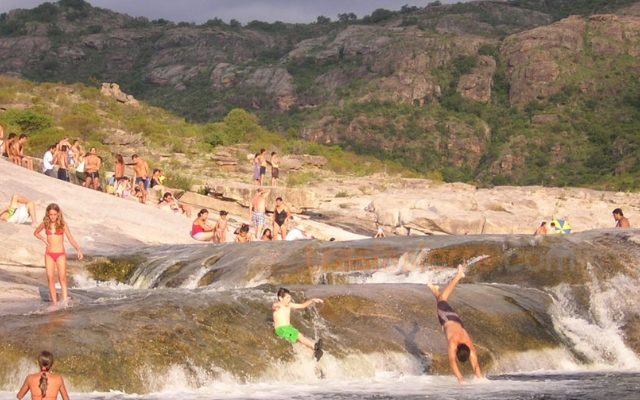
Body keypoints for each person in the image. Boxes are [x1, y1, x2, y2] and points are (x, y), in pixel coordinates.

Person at [427, 263, 483, 384]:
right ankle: (458, 276)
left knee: (441, 299)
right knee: (442, 299)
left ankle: (433, 289)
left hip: (457, 319)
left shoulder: (469, 345)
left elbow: (476, 366)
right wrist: (460, 379)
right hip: (445, 318)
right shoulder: (453, 343)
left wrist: (480, 379)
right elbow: (452, 362)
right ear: (457, 349)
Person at [33, 203, 83, 304]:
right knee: (50, 278)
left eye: (55, 214)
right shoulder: (45, 223)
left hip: (60, 254)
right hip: (49, 255)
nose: (53, 217)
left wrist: (78, 249)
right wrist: (43, 239)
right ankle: (55, 303)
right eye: (51, 214)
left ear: (58, 214)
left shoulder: (63, 224)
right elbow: (36, 233)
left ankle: (64, 302)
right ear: (48, 214)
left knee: (62, 278)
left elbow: (70, 238)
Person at [272, 287, 324, 361]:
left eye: (290, 297)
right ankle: (315, 346)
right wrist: (277, 305)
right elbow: (274, 306)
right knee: (299, 336)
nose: (289, 299)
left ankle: (313, 359)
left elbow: (302, 305)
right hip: (282, 329)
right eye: (287, 298)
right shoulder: (278, 306)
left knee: (303, 344)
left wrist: (312, 300)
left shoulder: (289, 305)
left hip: (288, 328)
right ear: (280, 298)